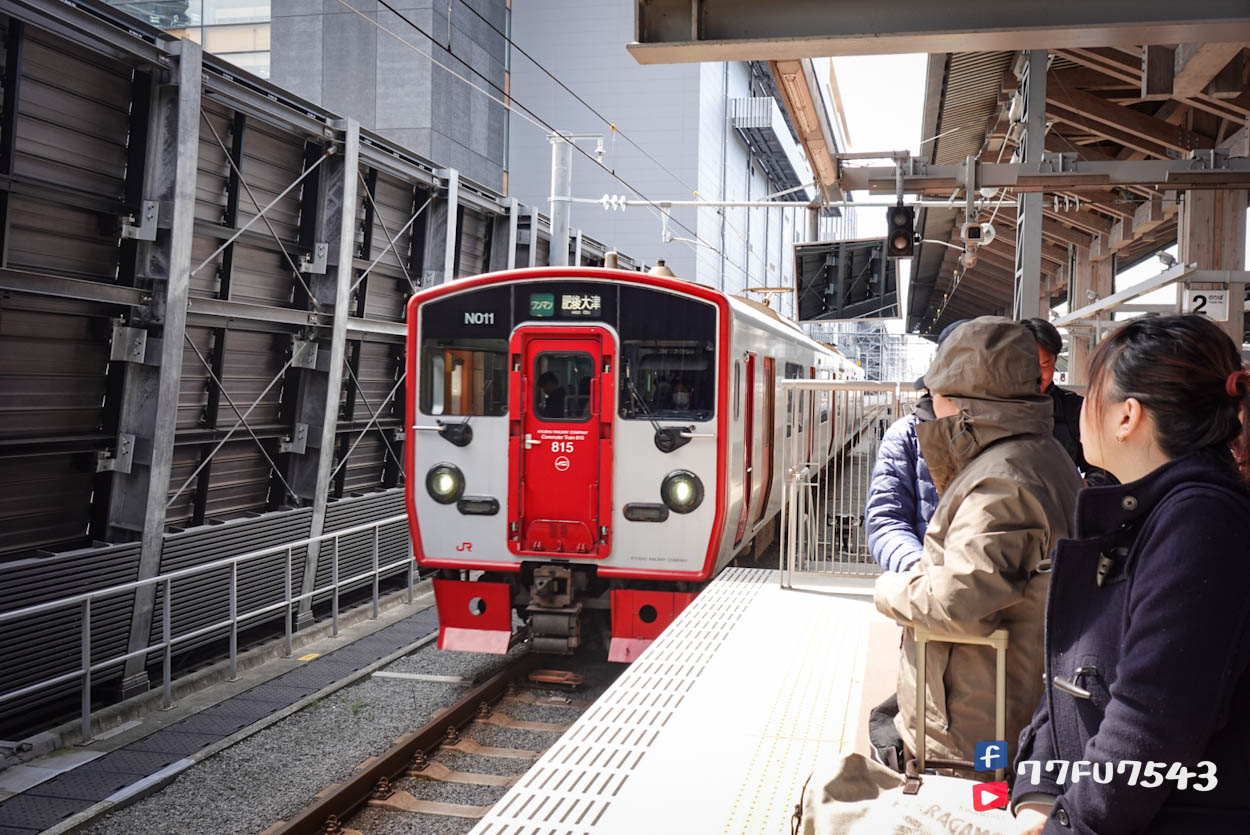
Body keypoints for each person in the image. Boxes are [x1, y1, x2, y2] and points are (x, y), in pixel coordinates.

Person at [1011, 314, 1250, 835]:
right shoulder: (1155, 512)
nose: (1081, 405)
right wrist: (1037, 792)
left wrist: (1064, 825)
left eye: (1092, 390)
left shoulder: (1202, 522)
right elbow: (1072, 681)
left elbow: (1150, 723)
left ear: (1128, 417)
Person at [873, 317, 1082, 773]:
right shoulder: (1035, 453)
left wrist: (889, 589)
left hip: (977, 723)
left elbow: (959, 600)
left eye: (938, 396)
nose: (931, 407)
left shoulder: (1002, 481)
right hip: (999, 697)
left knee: (973, 811)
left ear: (967, 403)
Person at [864, 319, 966, 573]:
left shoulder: (1012, 438)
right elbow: (886, 517)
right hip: (926, 583)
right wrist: (914, 565)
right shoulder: (906, 435)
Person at [1020, 318, 1114, 485]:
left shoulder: (1075, 410)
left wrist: (1086, 487)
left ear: (1055, 361)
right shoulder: (993, 408)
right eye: (1028, 365)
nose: (1037, 376)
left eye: (1044, 365)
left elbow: (1105, 468)